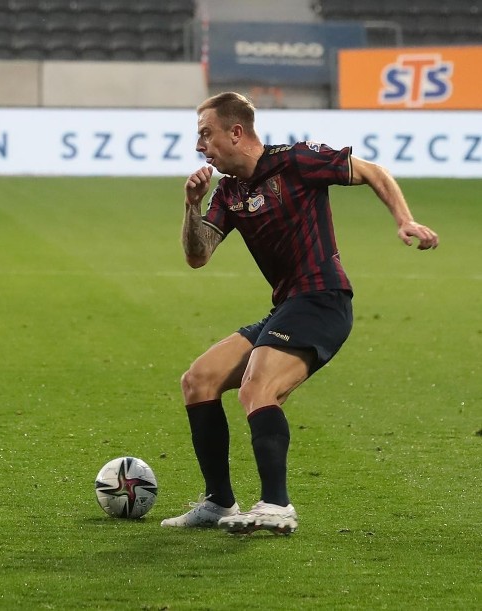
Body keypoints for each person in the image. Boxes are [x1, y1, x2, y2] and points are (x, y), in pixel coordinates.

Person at [160, 92, 438, 534]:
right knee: (199, 380)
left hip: (324, 300)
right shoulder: (229, 192)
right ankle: (219, 503)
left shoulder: (296, 160)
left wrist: (403, 219)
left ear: (236, 132)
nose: (200, 147)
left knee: (257, 387)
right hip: (288, 307)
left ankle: (277, 506)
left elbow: (371, 170)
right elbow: (198, 256)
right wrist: (192, 206)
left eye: (205, 135)